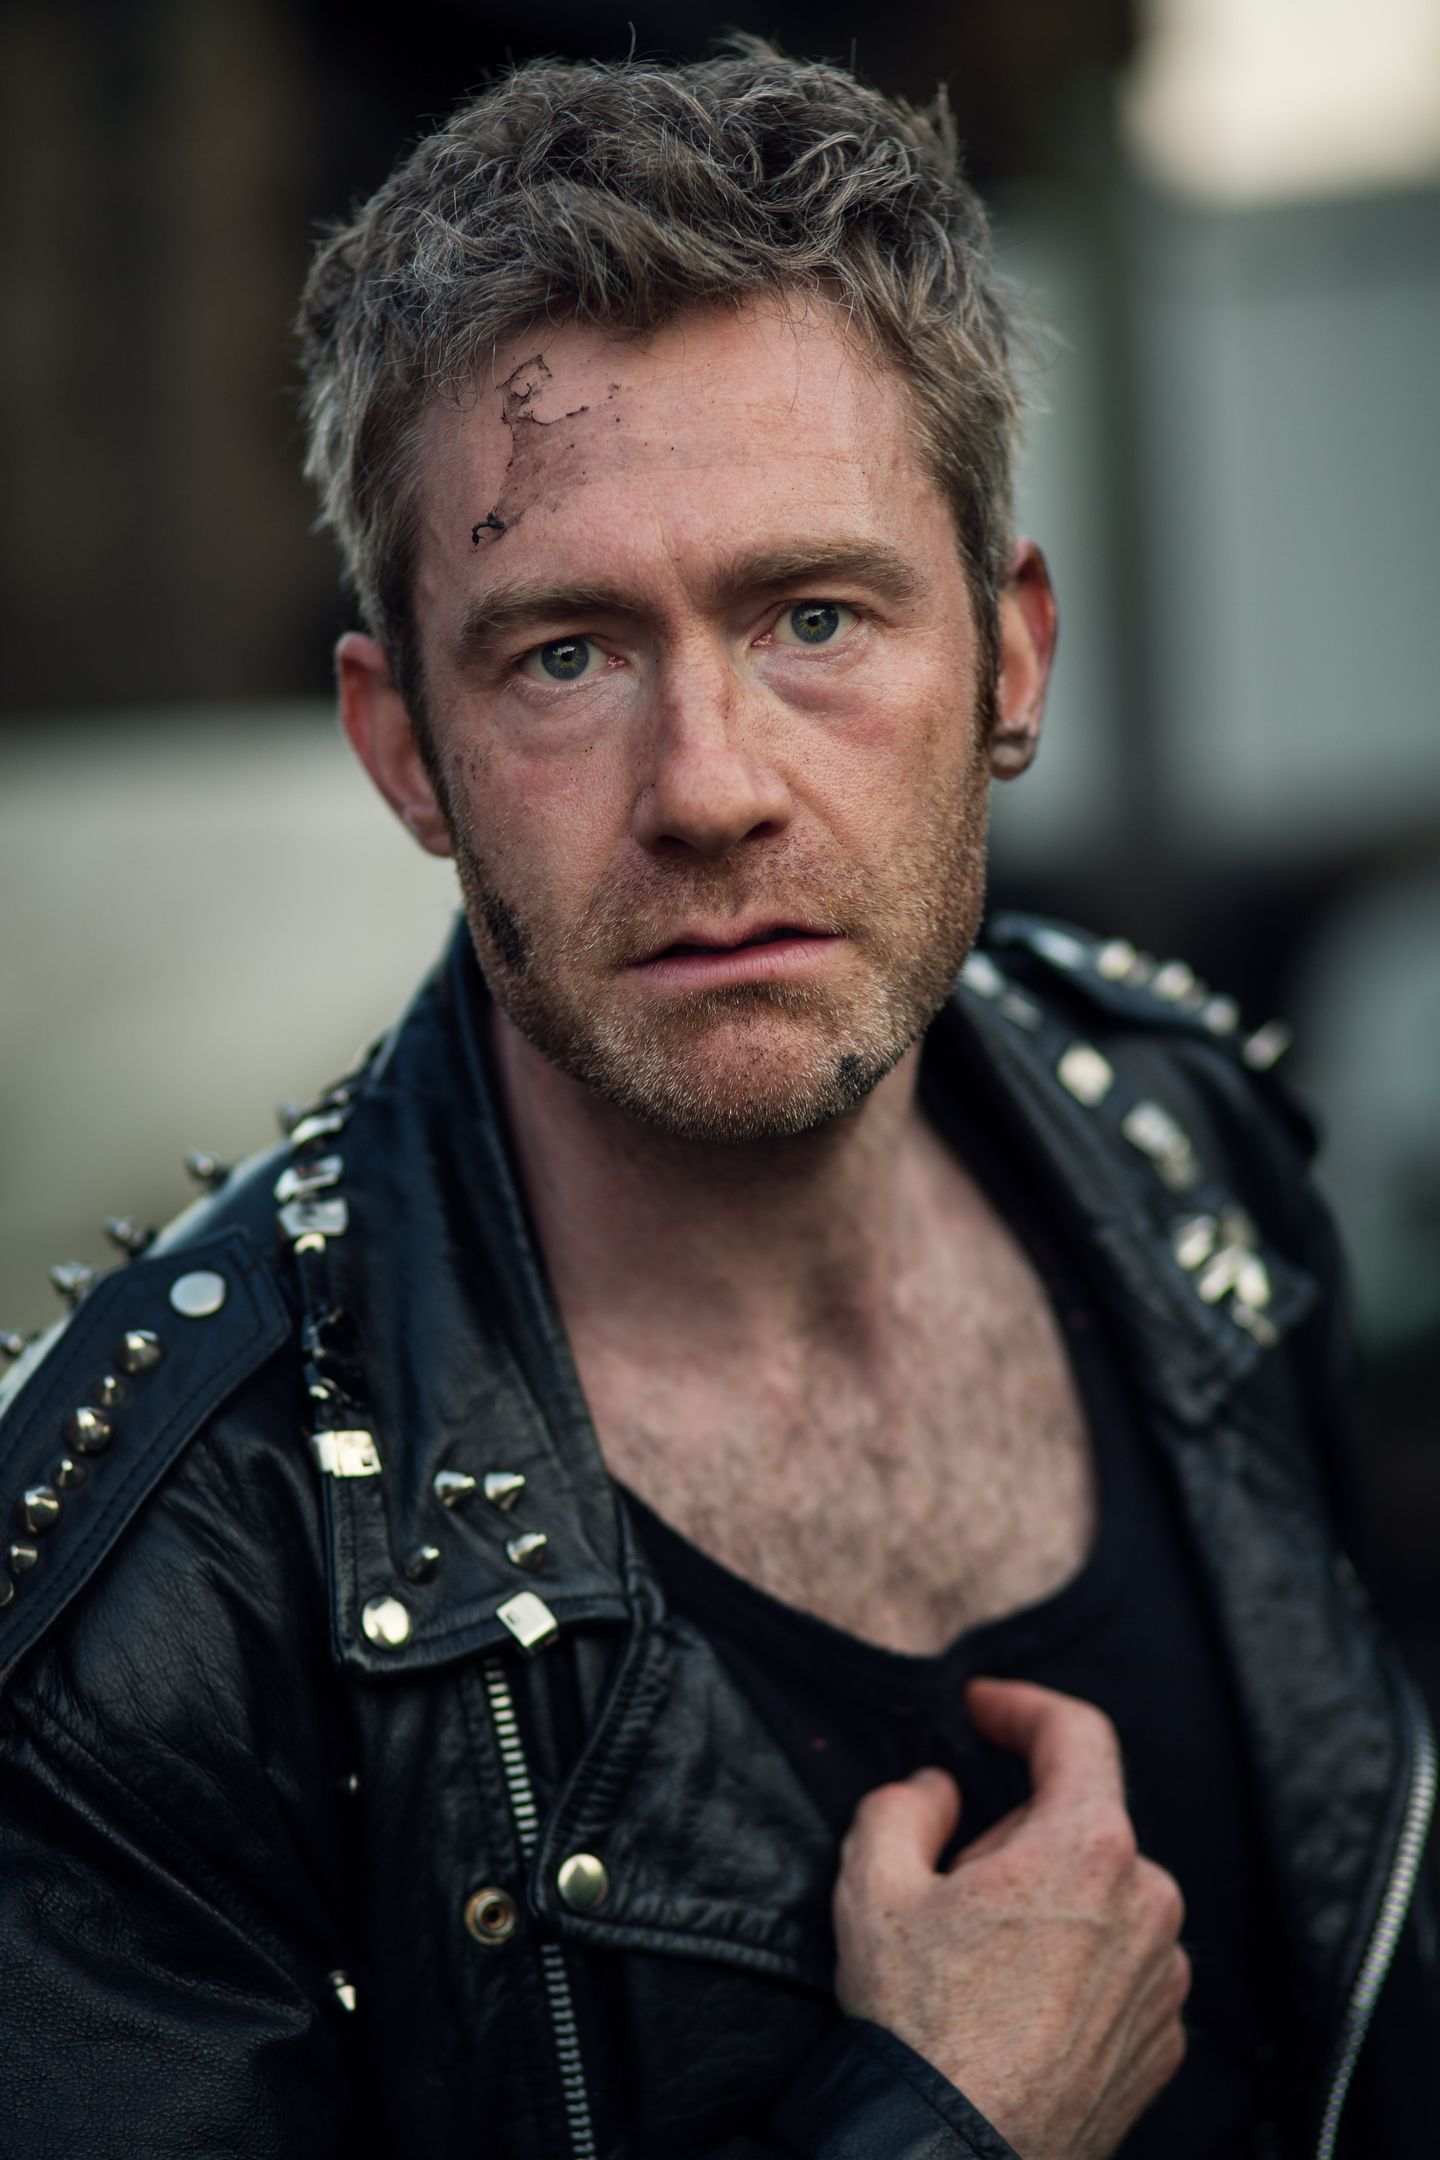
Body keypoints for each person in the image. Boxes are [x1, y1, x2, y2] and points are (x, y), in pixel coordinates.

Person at [0, 40, 1433, 2160]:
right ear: (403, 751)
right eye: (566, 655)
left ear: (1012, 658)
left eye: (815, 616)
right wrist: (942, 2123)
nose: (711, 789)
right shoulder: (174, 1584)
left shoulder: (1189, 1144)